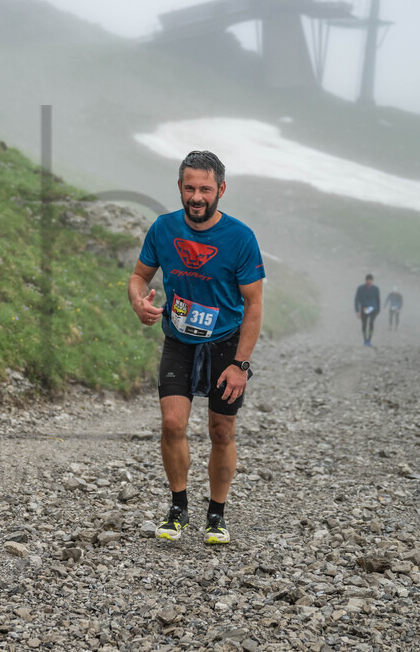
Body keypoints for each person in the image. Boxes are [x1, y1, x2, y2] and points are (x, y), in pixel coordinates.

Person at [128, 150, 265, 546]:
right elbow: (139, 276)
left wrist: (241, 364)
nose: (197, 196)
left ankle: (216, 515)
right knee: (172, 423)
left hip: (226, 344)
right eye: (190, 188)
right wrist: (139, 302)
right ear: (179, 188)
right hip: (179, 339)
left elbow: (254, 305)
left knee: (221, 431)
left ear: (221, 189)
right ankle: (178, 507)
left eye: (205, 188)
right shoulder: (163, 228)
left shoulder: (240, 238)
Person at [354, 273, 380, 346]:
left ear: (372, 281)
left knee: (371, 323)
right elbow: (356, 299)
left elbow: (378, 299)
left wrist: (378, 309)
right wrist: (357, 310)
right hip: (364, 308)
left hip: (373, 308)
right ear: (365, 281)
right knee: (364, 324)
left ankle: (369, 339)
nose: (369, 282)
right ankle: (365, 339)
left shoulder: (375, 289)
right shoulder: (361, 288)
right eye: (368, 281)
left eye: (370, 281)